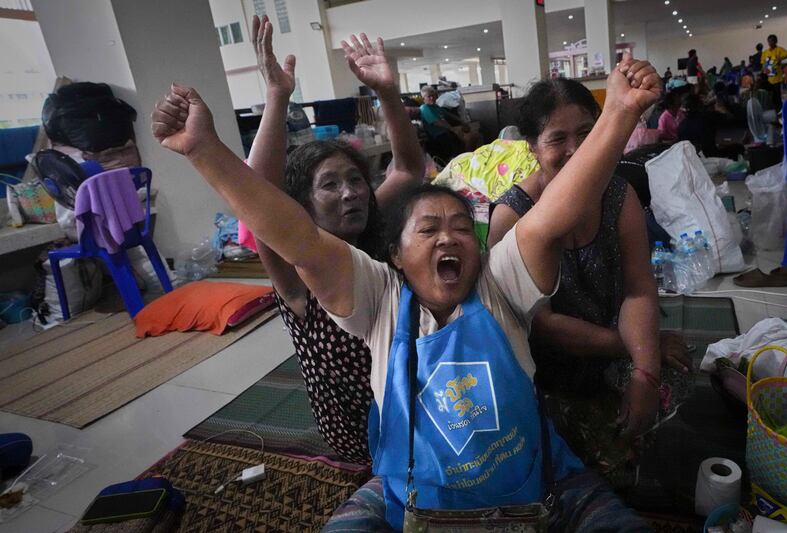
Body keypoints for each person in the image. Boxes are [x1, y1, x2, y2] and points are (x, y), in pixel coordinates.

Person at [151, 52, 662, 532]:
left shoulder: (501, 281)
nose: (447, 237)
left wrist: (617, 113)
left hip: (540, 483)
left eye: (462, 227)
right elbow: (297, 238)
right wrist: (203, 150)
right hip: (408, 493)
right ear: (394, 255)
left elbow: (551, 217)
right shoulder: (377, 299)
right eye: (427, 229)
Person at [236, 17, 425, 465]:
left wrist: (386, 91)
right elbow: (255, 199)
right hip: (361, 430)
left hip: (412, 402)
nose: (350, 193)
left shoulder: (366, 227)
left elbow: (408, 169)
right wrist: (278, 97)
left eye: (356, 180)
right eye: (330, 186)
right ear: (300, 203)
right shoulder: (299, 270)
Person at [487, 78, 690, 486]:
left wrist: (644, 371)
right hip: (547, 368)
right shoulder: (513, 214)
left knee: (678, 369)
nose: (576, 150)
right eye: (557, 138)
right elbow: (540, 325)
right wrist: (637, 348)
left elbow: (638, 288)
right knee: (569, 452)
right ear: (531, 147)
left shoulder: (618, 196)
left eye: (586, 133)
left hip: (612, 348)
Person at [419, 85, 469, 162]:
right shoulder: (425, 108)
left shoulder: (436, 107)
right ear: (423, 98)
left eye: (433, 96)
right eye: (429, 96)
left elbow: (448, 115)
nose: (432, 98)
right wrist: (453, 129)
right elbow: (437, 122)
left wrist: (462, 122)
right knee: (453, 147)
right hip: (436, 136)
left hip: (445, 133)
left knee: (461, 142)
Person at [761, 34, 787, 112]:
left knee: (777, 95)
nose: (770, 43)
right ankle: (771, 109)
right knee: (769, 95)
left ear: (776, 41)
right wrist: (764, 69)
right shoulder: (765, 52)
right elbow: (763, 63)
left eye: (772, 41)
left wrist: (780, 58)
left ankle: (779, 110)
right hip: (768, 78)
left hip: (777, 78)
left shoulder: (779, 50)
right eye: (769, 41)